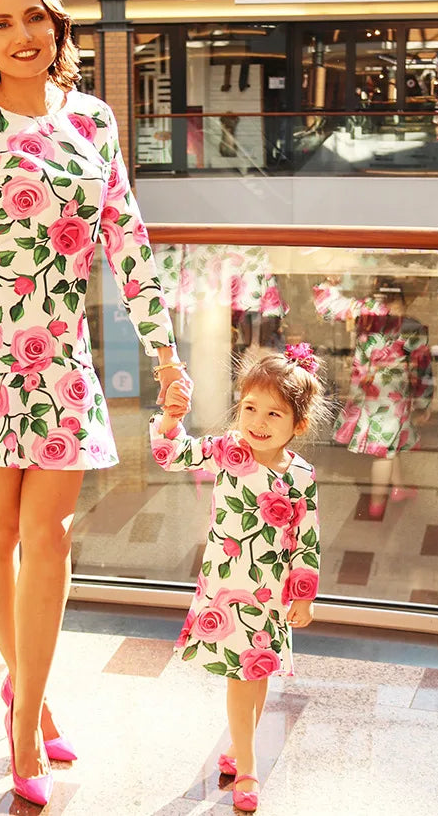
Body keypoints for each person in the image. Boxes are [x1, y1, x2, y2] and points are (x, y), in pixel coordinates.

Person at [0, 0, 189, 806]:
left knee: (54, 534)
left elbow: (127, 244)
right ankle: (31, 706)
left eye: (35, 19)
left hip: (60, 357)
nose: (22, 35)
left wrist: (166, 353)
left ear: (60, 30)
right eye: (1, 24)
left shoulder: (95, 121)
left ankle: (23, 703)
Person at [149, 345, 326, 813]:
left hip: (270, 593)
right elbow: (172, 454)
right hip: (229, 588)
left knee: (259, 673)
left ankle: (236, 747)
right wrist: (170, 420)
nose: (258, 421)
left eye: (274, 413)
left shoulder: (302, 476)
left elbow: (306, 539)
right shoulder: (229, 451)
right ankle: (246, 765)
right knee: (241, 675)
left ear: (297, 425)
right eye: (250, 408)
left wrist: (303, 595)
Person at [313, 276, 433, 518]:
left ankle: (398, 487)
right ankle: (377, 505)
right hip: (392, 395)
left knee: (389, 440)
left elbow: (327, 307)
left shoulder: (367, 311)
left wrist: (329, 283)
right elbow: (423, 370)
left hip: (366, 387)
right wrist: (424, 402)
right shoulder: (412, 327)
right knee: (384, 449)